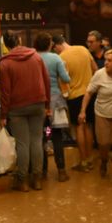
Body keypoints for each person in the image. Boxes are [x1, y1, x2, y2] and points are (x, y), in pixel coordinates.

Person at [0, 30, 50, 192]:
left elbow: (5, 92)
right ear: (20, 40)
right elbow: (46, 81)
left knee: (22, 144)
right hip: (38, 104)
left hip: (17, 107)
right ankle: (37, 179)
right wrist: (47, 104)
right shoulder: (36, 57)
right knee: (36, 141)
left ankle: (22, 181)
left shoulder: (5, 63)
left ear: (6, 45)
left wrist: (3, 115)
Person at [80, 48, 112, 183]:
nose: (105, 63)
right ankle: (103, 160)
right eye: (105, 60)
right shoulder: (99, 74)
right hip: (102, 113)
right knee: (103, 143)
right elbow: (89, 93)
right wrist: (83, 110)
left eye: (109, 60)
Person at [55, 34, 97, 172]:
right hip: (89, 94)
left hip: (74, 96)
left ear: (57, 45)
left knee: (79, 127)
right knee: (89, 126)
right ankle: (90, 159)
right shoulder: (83, 49)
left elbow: (63, 80)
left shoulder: (61, 58)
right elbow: (95, 69)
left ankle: (83, 161)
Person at [33, 32, 70, 182]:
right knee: (56, 136)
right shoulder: (56, 58)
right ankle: (61, 171)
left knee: (41, 136)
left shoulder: (33, 58)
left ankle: (42, 172)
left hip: (38, 102)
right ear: (49, 45)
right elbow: (66, 78)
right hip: (55, 101)